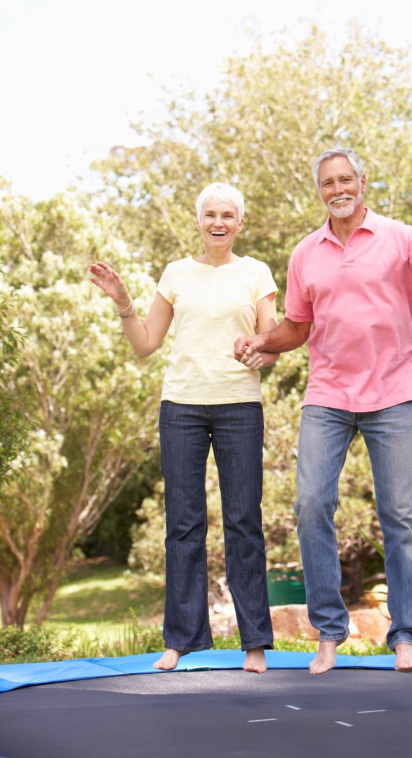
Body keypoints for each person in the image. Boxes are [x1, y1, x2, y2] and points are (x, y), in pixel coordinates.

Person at [235, 148, 412, 675]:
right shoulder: (305, 253)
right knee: (311, 505)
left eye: (345, 179)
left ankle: (405, 637)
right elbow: (297, 327)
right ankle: (329, 634)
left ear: (362, 182)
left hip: (393, 395)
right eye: (327, 183)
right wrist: (263, 342)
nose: (337, 189)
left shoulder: (400, 239)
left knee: (400, 517)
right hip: (328, 398)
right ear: (319, 191)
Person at [90, 182, 278, 674]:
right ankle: (181, 639)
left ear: (240, 223)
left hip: (239, 405)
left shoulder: (256, 272)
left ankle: (254, 642)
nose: (219, 222)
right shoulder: (175, 273)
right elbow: (146, 343)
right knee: (184, 524)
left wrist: (261, 349)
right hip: (182, 408)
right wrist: (123, 300)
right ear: (198, 221)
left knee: (243, 522)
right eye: (210, 214)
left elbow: (273, 341)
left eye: (228, 215)